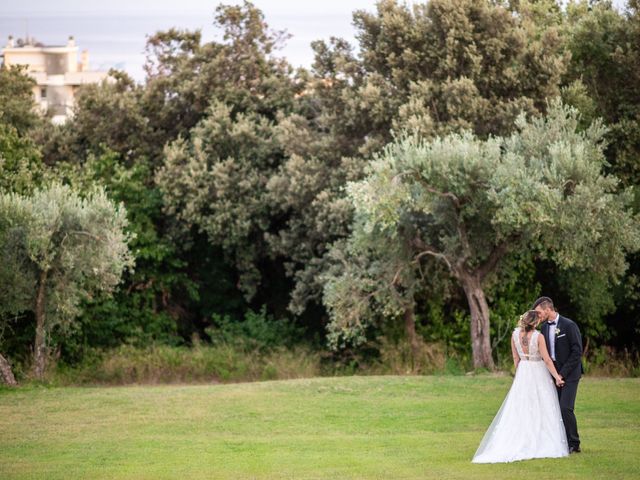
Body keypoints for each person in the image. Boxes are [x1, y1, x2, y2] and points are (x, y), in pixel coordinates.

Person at [472, 310, 569, 463]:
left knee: (521, 407)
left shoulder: (514, 335)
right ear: (536, 322)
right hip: (538, 371)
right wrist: (557, 377)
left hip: (523, 371)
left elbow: (516, 359)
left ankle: (519, 437)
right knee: (541, 405)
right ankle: (540, 440)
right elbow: (548, 360)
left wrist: (520, 376)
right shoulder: (538, 337)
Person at [533, 296, 584, 454]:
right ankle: (561, 442)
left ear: (548, 309)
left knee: (565, 408)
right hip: (553, 374)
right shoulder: (544, 328)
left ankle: (574, 443)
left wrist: (562, 374)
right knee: (555, 409)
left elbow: (577, 352)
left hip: (570, 374)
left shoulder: (569, 325)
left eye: (539, 312)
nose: (538, 316)